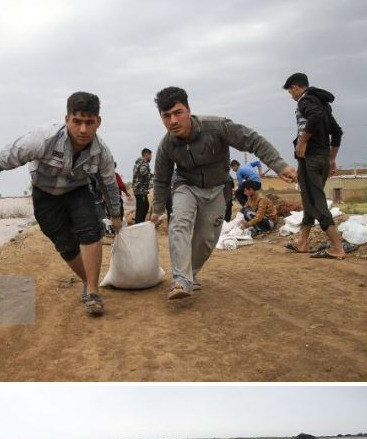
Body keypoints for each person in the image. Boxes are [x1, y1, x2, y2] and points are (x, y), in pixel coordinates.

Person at [0, 91, 123, 317]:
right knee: (65, 245)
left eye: (89, 122)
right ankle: (88, 282)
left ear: (98, 122)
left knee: (90, 231)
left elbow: (109, 184)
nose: (83, 130)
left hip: (78, 190)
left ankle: (94, 294)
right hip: (45, 194)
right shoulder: (41, 139)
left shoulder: (102, 153)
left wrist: (115, 216)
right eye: (77, 122)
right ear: (66, 119)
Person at [149, 86, 295, 300]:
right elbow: (161, 178)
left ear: (188, 110)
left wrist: (279, 165)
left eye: (177, 113)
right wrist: (157, 209)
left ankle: (192, 273)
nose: (173, 121)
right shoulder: (167, 145)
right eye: (166, 116)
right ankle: (181, 279)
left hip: (217, 188)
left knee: (207, 238)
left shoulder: (217, 127)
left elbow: (253, 140)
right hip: (185, 186)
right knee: (179, 223)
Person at [282, 73, 347, 259]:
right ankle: (303, 242)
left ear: (295, 87)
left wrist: (302, 142)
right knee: (309, 199)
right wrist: (331, 158)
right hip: (322, 158)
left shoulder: (305, 100)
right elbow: (337, 132)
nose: (291, 96)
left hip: (310, 159)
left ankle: (337, 248)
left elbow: (315, 117)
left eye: (290, 92)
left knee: (316, 202)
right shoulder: (323, 104)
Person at [132, 148, 153, 223]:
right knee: (142, 209)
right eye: (150, 156)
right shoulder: (144, 162)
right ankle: (139, 225)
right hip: (141, 190)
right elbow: (143, 172)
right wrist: (152, 175)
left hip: (138, 189)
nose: (151, 158)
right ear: (147, 154)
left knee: (144, 206)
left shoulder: (138, 162)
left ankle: (140, 223)